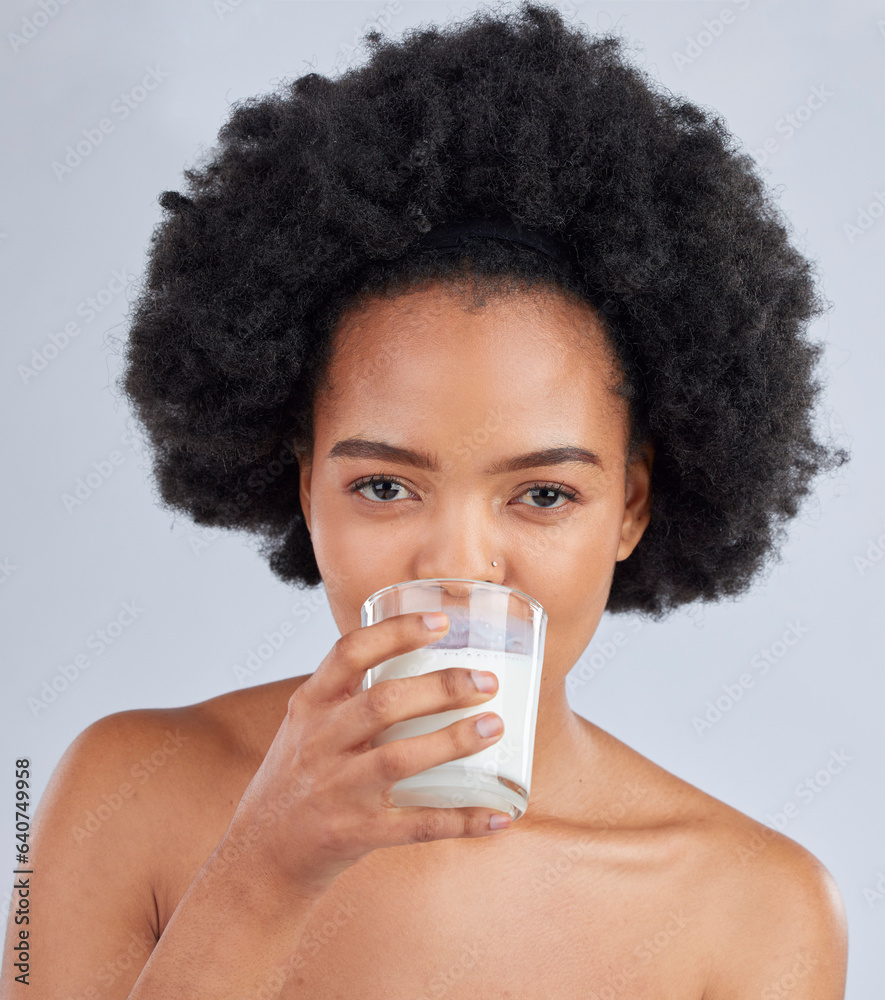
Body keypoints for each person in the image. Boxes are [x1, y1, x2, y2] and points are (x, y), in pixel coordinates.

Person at [1, 3, 849, 998]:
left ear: (630, 504)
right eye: (385, 485)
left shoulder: (760, 912)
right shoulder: (120, 791)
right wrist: (260, 874)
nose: (457, 564)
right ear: (302, 482)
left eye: (542, 492)